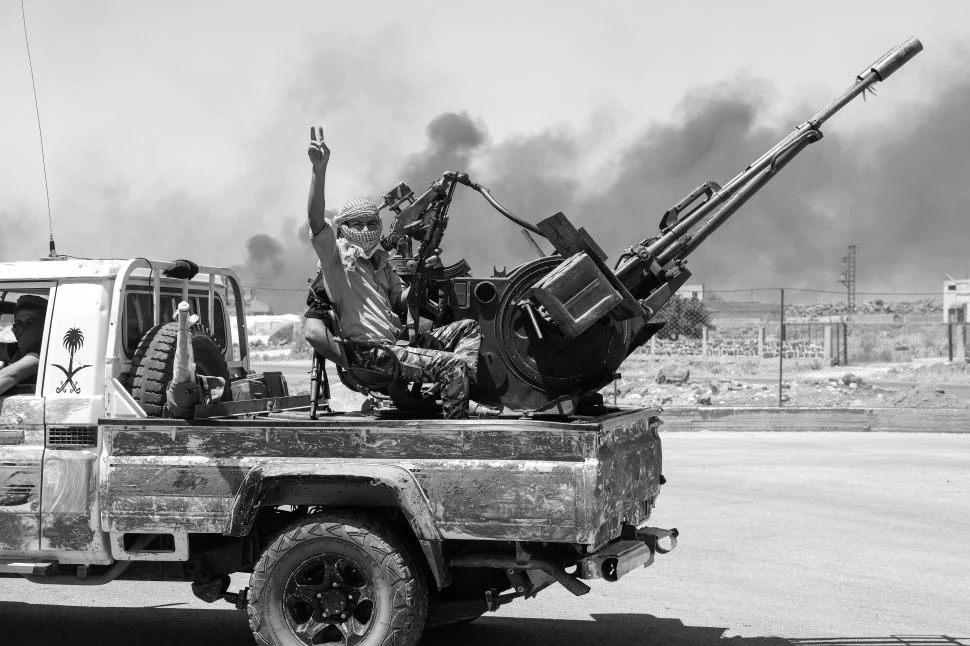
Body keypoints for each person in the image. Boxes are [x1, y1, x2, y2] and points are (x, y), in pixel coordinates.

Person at [302, 127, 493, 419]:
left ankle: (459, 392)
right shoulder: (337, 259)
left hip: (396, 346)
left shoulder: (381, 263)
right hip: (372, 353)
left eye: (370, 223)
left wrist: (420, 275)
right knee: (452, 365)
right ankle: (458, 432)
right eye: (357, 224)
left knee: (466, 328)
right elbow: (316, 220)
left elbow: (402, 302)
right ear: (344, 228)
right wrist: (319, 170)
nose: (366, 230)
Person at [0, 295, 48, 395]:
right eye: (18, 323)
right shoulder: (21, 349)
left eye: (30, 322)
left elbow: (10, 375)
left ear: (45, 325)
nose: (22, 328)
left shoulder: (43, 351)